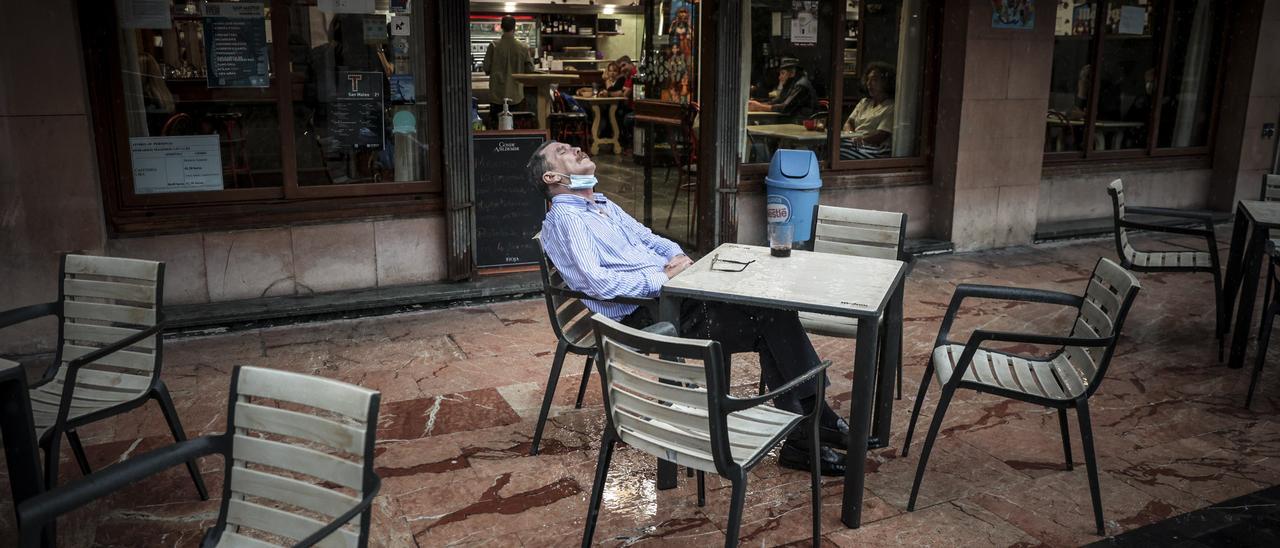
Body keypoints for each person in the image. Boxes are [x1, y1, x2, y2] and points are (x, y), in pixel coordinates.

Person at [528, 140, 851, 475]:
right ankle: (813, 425)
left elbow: (651, 238)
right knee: (771, 317)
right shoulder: (568, 218)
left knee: (770, 310)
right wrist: (662, 278)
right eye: (563, 151)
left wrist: (676, 257)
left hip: (674, 296)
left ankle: (808, 428)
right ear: (552, 177)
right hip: (647, 314)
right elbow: (596, 284)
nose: (577, 149)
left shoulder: (600, 204)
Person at [482, 15, 535, 129]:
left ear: (501, 27)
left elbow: (486, 68)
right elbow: (530, 70)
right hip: (516, 97)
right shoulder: (523, 47)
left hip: (497, 96)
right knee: (516, 127)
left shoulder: (493, 46)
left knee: (496, 128)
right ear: (514, 28)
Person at [840, 63, 896, 160]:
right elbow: (849, 122)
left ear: (886, 82)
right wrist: (850, 135)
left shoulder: (891, 106)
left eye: (874, 80)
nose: (869, 83)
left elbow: (882, 135)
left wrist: (861, 139)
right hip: (855, 143)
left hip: (875, 149)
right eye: (868, 79)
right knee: (829, 143)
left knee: (835, 149)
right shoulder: (864, 102)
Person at [746, 57, 816, 122]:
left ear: (792, 73)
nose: (779, 77)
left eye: (782, 73)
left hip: (801, 124)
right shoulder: (791, 83)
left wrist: (760, 107)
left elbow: (785, 108)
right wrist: (755, 105)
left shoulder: (801, 85)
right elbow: (778, 100)